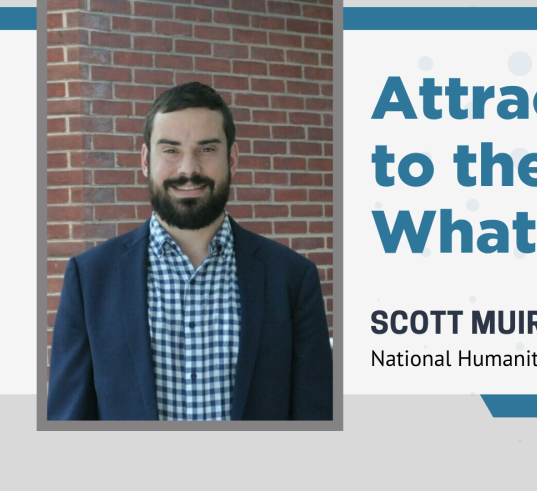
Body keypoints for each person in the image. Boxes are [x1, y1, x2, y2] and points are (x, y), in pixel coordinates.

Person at [48, 82, 333, 420]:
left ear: (232, 159)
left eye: (206, 149)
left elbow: (316, 418)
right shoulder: (90, 279)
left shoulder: (292, 278)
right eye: (170, 150)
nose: (188, 169)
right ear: (145, 160)